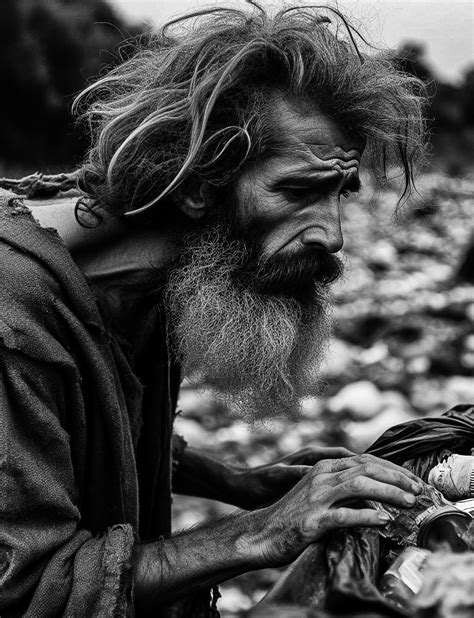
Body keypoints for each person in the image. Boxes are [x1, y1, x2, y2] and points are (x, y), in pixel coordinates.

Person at [0, 3, 428, 616]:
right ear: (200, 182)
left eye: (339, 191)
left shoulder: (146, 280)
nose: (332, 235)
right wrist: (260, 530)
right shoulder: (14, 317)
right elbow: (28, 591)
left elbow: (71, 441)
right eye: (299, 190)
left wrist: (234, 483)